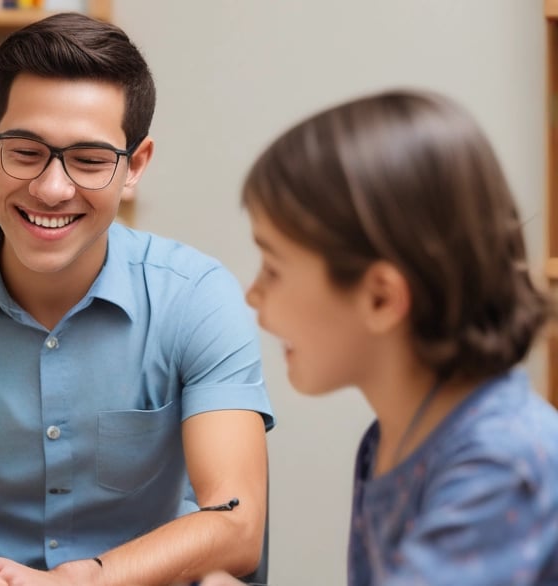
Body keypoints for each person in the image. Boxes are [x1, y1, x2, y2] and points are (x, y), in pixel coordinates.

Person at [0, 12, 274, 586]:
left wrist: (81, 580)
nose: (52, 190)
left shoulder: (196, 296)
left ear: (134, 167)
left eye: (89, 160)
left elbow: (238, 525)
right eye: (26, 151)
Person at [204, 89, 558, 585]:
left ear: (381, 298)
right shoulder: (389, 440)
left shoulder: (504, 463)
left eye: (274, 268)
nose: (253, 294)